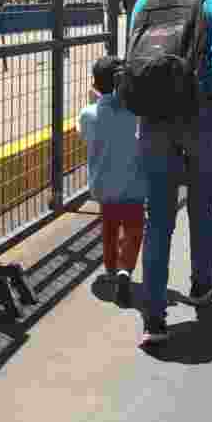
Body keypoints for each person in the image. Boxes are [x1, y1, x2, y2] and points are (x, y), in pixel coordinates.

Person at [132, 0, 212, 346]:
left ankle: (154, 317)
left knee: (157, 220)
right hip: (201, 125)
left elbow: (134, 64)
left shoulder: (144, 4)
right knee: (202, 209)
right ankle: (200, 284)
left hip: (154, 124)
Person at [76, 57, 148, 307]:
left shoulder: (88, 114)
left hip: (104, 186)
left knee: (109, 227)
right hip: (134, 184)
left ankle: (109, 270)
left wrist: (94, 102)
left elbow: (85, 135)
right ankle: (125, 269)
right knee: (135, 230)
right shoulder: (136, 112)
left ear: (95, 83)